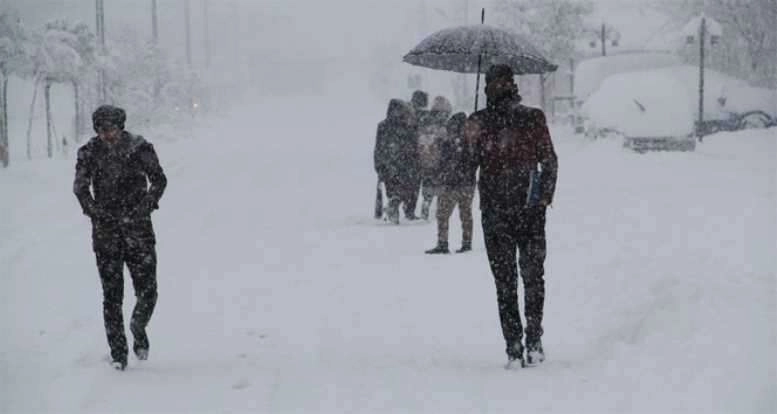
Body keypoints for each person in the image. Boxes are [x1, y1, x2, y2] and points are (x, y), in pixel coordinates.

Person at [465, 64, 558, 367]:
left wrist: (467, 141)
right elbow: (550, 161)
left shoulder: (480, 121)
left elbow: (466, 168)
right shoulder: (531, 117)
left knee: (505, 282)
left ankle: (515, 346)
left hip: (497, 212)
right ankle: (532, 341)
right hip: (528, 210)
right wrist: (543, 197)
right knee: (532, 278)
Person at [73, 105, 167, 371]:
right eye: (102, 129)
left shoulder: (139, 147)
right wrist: (95, 212)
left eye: (111, 128)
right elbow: (80, 188)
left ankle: (138, 326)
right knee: (112, 297)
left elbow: (159, 180)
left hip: (139, 231)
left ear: (121, 126)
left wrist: (146, 206)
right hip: (106, 235)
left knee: (148, 292)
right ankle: (118, 354)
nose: (107, 134)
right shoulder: (89, 152)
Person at [425, 112, 476, 254]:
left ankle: (443, 243)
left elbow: (442, 163)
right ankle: (466, 242)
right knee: (465, 214)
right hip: (467, 184)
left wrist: (440, 175)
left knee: (443, 214)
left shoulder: (452, 142)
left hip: (453, 184)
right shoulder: (471, 142)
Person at [374, 99, 418, 224]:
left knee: (393, 190)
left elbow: (378, 148)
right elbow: (413, 146)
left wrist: (379, 166)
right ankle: (404, 209)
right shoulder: (406, 125)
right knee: (406, 189)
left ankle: (393, 206)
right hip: (404, 165)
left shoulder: (383, 125)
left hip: (388, 166)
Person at [417, 95, 452, 220]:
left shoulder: (425, 121)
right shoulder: (442, 125)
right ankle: (437, 208)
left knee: (429, 182)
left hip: (427, 158)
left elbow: (420, 139)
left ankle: (427, 203)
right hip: (438, 158)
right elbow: (446, 141)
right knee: (439, 182)